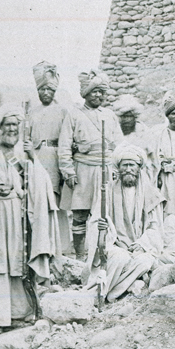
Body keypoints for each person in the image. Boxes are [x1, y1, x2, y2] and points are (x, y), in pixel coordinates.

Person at [0, 106, 60, 331]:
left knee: (17, 265)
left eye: (15, 125)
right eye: (7, 124)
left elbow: (41, 186)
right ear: (0, 127)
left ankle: (19, 314)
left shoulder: (22, 153)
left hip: (20, 218)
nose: (11, 129)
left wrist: (32, 158)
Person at [85, 144, 163, 302]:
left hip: (139, 246)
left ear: (139, 168)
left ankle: (113, 291)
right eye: (124, 165)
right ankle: (100, 293)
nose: (128, 169)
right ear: (118, 168)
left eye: (132, 165)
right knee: (121, 258)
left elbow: (155, 227)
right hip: (115, 244)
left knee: (145, 261)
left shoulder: (151, 193)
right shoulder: (107, 191)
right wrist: (102, 228)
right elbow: (96, 220)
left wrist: (142, 243)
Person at [58, 71, 123, 261]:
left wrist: (117, 168)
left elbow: (120, 145)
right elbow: (64, 146)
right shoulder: (74, 114)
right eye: (94, 91)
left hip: (105, 170)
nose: (98, 95)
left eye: (101, 92)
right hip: (83, 170)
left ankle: (102, 252)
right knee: (80, 215)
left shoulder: (110, 115)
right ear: (85, 93)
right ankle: (80, 255)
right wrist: (68, 171)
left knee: (104, 213)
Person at [27, 61, 71, 254]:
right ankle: (41, 246)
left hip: (55, 160)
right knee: (38, 202)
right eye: (42, 89)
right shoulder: (31, 112)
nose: (45, 92)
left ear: (54, 91)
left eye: (49, 89)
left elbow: (67, 140)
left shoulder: (62, 111)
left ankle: (60, 246)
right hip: (35, 158)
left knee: (56, 202)